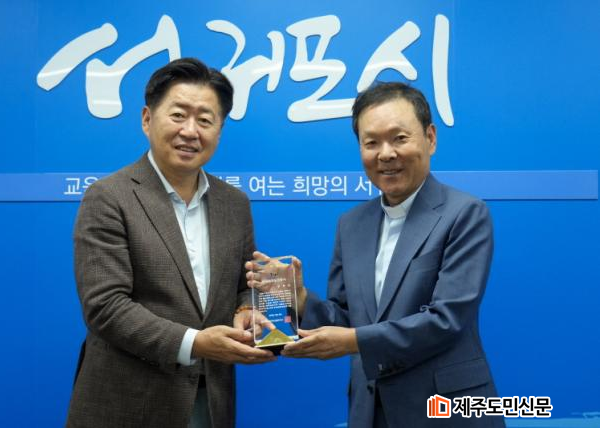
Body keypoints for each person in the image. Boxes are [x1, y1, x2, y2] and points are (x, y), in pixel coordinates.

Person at [257, 82, 504, 427]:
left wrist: (355, 341)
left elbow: (446, 319)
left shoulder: (465, 213)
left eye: (399, 138)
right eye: (371, 142)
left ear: (430, 138)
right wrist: (299, 299)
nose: (385, 154)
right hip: (370, 410)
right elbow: (346, 318)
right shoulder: (351, 224)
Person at [66, 57, 274, 428]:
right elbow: (105, 307)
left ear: (220, 130)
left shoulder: (234, 203)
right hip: (128, 404)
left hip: (210, 402)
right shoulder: (109, 197)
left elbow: (243, 286)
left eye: (205, 120)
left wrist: (248, 309)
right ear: (147, 119)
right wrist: (196, 343)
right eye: (178, 115)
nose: (190, 131)